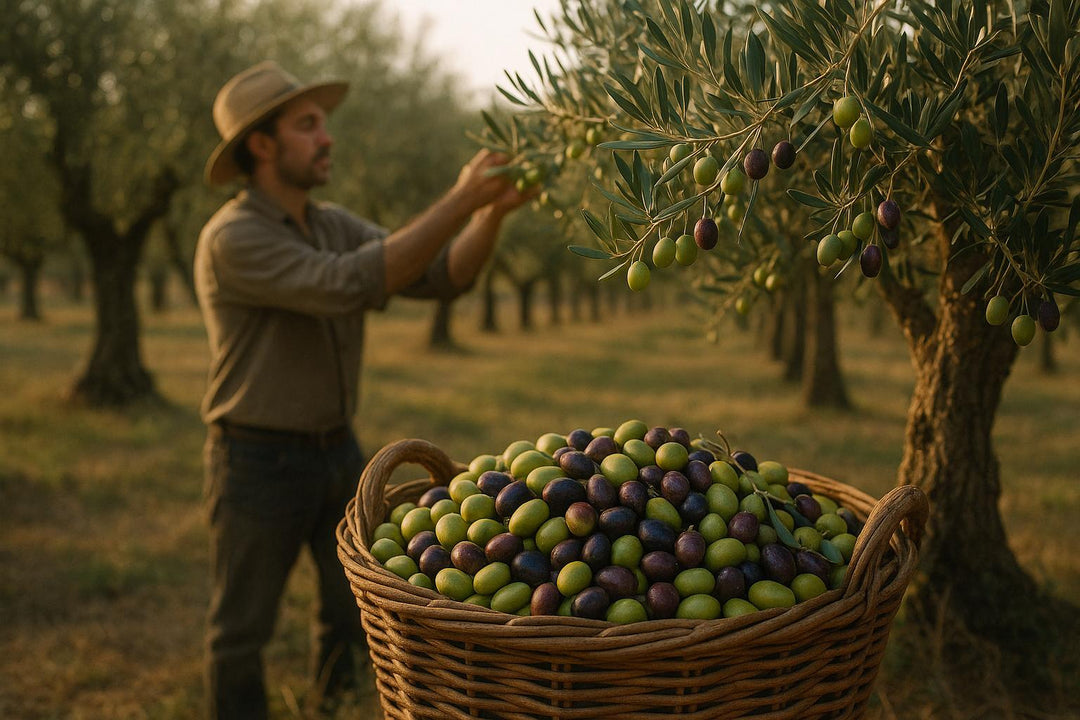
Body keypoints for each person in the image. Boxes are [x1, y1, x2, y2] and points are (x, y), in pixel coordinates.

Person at [194, 61, 532, 719]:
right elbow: (344, 284)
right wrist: (459, 199)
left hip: (339, 453)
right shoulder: (233, 237)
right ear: (261, 145)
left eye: (324, 124)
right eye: (308, 125)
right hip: (256, 459)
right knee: (241, 631)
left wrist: (491, 213)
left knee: (352, 611)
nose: (328, 138)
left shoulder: (333, 223)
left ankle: (331, 707)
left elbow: (439, 277)